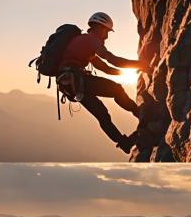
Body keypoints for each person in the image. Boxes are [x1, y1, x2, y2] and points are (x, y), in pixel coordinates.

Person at [57, 12, 143, 153]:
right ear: (100, 27)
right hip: (76, 79)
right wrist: (141, 65)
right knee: (116, 89)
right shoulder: (92, 39)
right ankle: (139, 112)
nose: (107, 36)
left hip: (69, 85)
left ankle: (124, 143)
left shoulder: (83, 42)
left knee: (102, 115)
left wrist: (125, 73)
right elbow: (112, 59)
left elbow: (105, 68)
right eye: (107, 31)